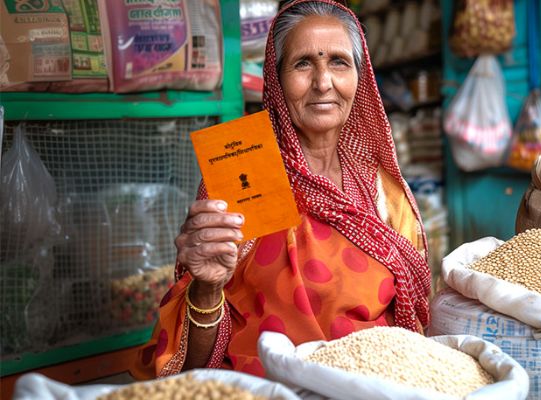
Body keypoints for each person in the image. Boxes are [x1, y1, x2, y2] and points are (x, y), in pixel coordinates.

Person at [133, 0, 430, 379]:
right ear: (276, 79)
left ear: (361, 76)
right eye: (303, 63)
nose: (323, 82)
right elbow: (191, 367)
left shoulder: (384, 194)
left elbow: (413, 320)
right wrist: (207, 289)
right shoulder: (241, 175)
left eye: (339, 62)